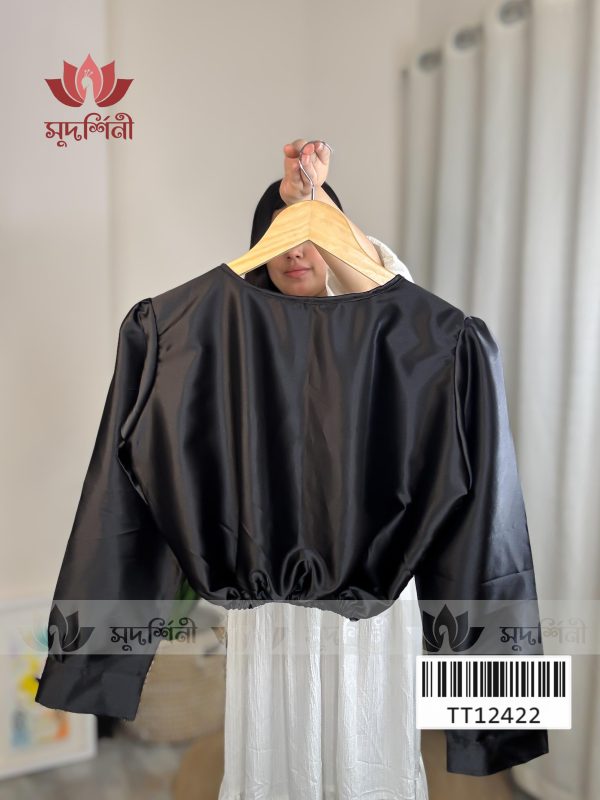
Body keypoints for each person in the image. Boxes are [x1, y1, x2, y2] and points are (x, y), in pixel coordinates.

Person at [217, 140, 429, 800]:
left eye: (312, 233)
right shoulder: (236, 335)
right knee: (279, 742)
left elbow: (406, 314)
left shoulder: (376, 323)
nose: (297, 251)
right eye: (282, 236)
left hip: (370, 576)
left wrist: (313, 202)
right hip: (272, 581)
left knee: (366, 736)